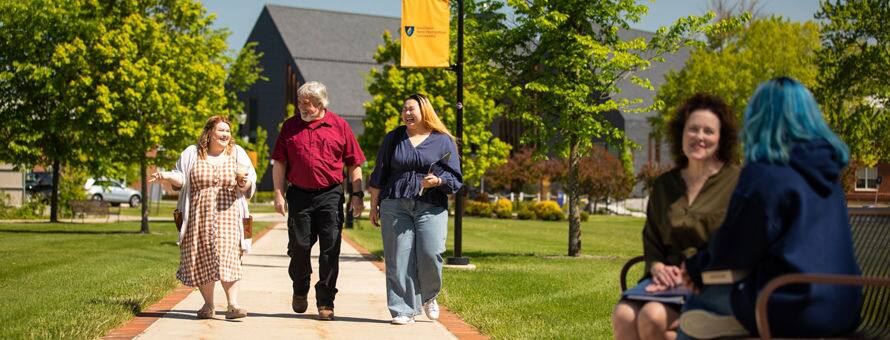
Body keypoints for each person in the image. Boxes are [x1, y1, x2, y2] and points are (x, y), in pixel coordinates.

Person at [677, 77, 862, 339]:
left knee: (694, 306)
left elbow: (732, 249)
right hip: (844, 307)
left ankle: (735, 320)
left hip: (788, 305)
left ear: (759, 119)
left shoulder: (765, 176)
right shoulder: (829, 177)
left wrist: (695, 268)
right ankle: (735, 321)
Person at [612, 93, 741, 340]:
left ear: (721, 138)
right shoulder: (664, 185)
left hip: (710, 281)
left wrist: (690, 271)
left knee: (652, 316)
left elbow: (738, 245)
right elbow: (652, 240)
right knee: (624, 315)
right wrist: (658, 267)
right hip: (663, 280)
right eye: (692, 129)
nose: (699, 137)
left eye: (708, 131)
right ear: (681, 134)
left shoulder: (737, 183)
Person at [271, 81, 365, 321]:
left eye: (309, 103)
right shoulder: (290, 126)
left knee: (330, 249)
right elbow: (279, 162)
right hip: (299, 195)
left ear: (321, 103)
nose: (303, 106)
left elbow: (354, 163)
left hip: (330, 195)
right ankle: (300, 287)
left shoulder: (339, 125)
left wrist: (357, 194)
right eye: (301, 102)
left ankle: (326, 301)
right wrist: (278, 193)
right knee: (299, 247)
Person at [149, 115, 257, 320]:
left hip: (229, 215)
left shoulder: (236, 153)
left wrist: (243, 181)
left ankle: (233, 305)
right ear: (209, 133)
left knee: (229, 257)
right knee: (202, 258)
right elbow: (180, 178)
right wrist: (165, 176)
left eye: (228, 131)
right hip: (198, 217)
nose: (225, 134)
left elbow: (249, 181)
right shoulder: (192, 153)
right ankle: (208, 305)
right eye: (221, 131)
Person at [368, 94, 462, 325]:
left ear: (424, 111)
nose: (407, 113)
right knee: (398, 257)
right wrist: (373, 206)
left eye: (411, 109)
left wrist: (438, 181)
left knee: (431, 253)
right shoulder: (394, 138)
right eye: (404, 109)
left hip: (431, 205)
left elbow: (456, 179)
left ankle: (429, 296)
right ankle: (403, 309)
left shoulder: (443, 140)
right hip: (395, 203)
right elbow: (379, 174)